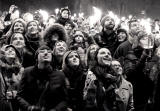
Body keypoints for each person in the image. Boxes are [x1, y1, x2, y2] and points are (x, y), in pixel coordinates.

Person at [16, 45, 68, 111]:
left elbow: (64, 100)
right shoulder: (27, 72)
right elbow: (19, 96)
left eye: (49, 52)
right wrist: (29, 108)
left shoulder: (60, 75)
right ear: (36, 57)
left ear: (52, 57)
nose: (46, 53)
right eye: (42, 51)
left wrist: (56, 110)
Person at [0, 45, 23, 111]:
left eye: (13, 50)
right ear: (2, 54)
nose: (10, 50)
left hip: (17, 104)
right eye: (7, 49)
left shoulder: (21, 70)